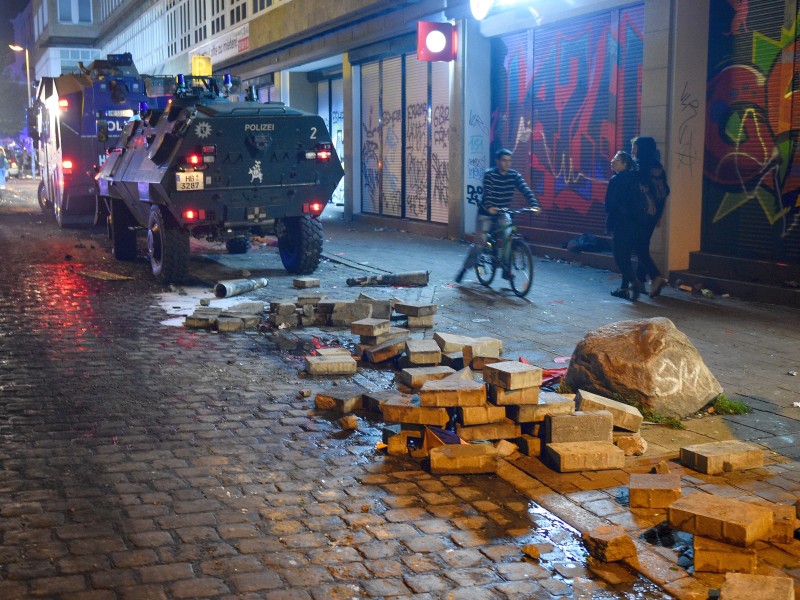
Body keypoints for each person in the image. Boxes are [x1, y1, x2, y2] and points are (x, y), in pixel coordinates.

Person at [455, 148, 540, 283]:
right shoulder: (490, 174)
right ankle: (464, 269)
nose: (507, 164)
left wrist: (534, 205)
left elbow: (525, 189)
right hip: (486, 212)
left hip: (503, 211)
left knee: (508, 236)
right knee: (480, 244)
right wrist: (490, 206)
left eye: (509, 161)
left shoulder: (514, 175)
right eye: (504, 161)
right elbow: (487, 192)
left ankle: (506, 270)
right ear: (498, 161)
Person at [631, 136, 670, 298]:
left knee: (638, 246)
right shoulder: (658, 168)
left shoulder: (640, 168)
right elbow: (664, 192)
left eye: (635, 147)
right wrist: (659, 214)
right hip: (653, 214)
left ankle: (655, 276)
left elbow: (635, 193)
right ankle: (640, 281)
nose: (633, 150)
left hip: (641, 214)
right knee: (643, 245)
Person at [604, 151, 646, 301]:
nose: (612, 161)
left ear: (624, 163)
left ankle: (634, 284)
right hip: (634, 223)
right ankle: (624, 288)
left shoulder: (616, 180)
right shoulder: (635, 179)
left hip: (620, 223)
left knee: (620, 257)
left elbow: (610, 205)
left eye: (616, 159)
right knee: (626, 255)